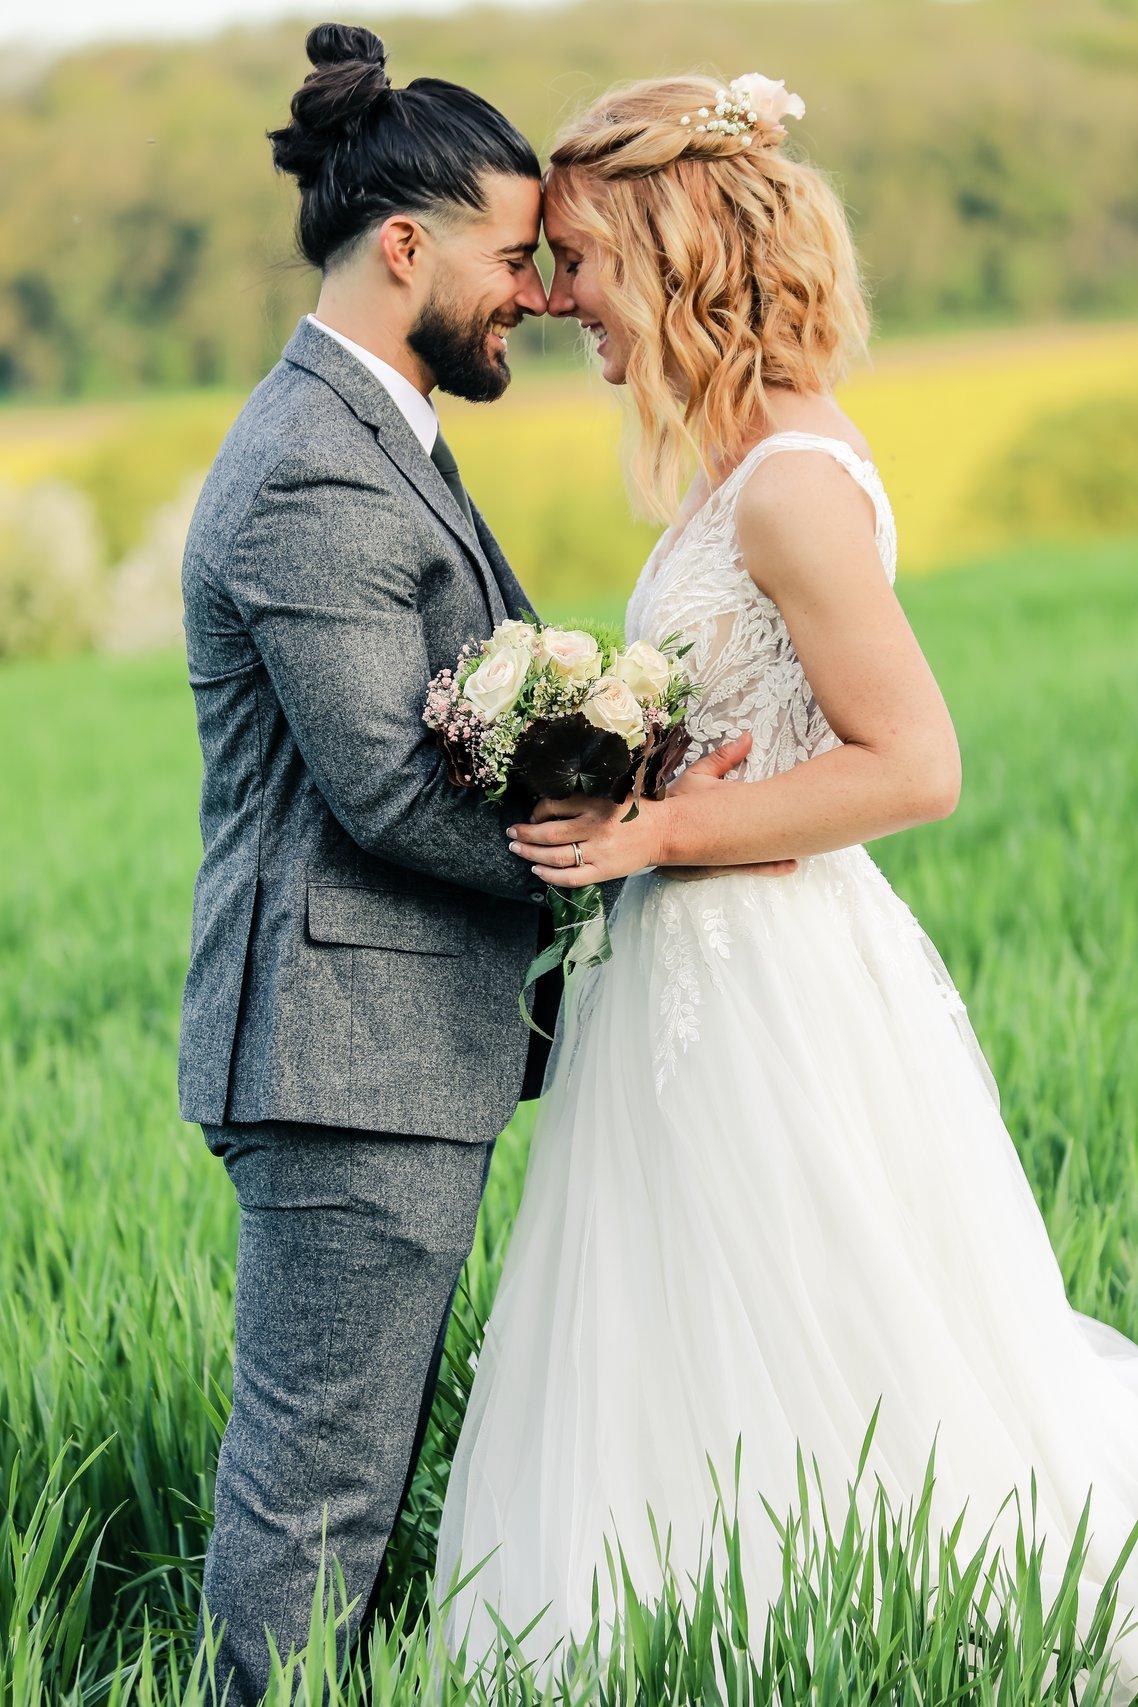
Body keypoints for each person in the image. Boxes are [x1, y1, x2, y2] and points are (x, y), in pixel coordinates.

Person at [435, 71, 1138, 1696]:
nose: (557, 304)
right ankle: (721, 1632)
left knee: (816, 1309)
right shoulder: (735, 465)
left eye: (586, 264)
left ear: (676, 259)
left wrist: (656, 835)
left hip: (762, 970)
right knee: (690, 1321)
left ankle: (871, 1622)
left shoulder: (793, 486)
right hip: (691, 958)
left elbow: (914, 764)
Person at [180, 22, 584, 1699]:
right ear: (402, 246)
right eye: (513, 257)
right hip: (344, 1061)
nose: (536, 294)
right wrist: (626, 853)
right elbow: (388, 796)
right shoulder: (306, 472)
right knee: (315, 1507)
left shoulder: (382, 433)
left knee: (345, 1490)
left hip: (394, 1055)